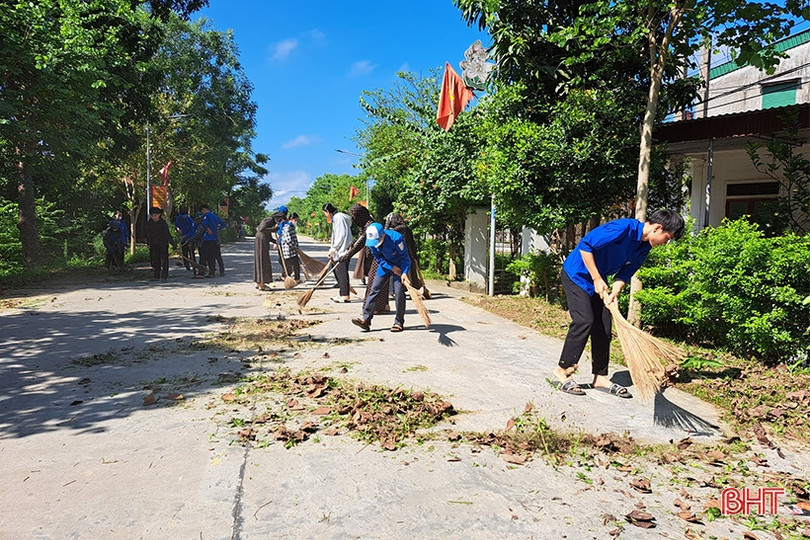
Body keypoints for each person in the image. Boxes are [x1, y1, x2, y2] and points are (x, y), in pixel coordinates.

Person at [553, 209, 685, 398]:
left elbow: (625, 273)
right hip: (577, 274)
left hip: (598, 281)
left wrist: (615, 290)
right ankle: (562, 369)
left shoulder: (644, 247)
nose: (666, 242)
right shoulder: (623, 228)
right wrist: (598, 279)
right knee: (584, 321)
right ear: (658, 228)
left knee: (604, 327)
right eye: (668, 237)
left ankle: (600, 377)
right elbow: (586, 245)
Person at [352, 223, 411, 333]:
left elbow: (406, 258)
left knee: (399, 293)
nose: (375, 244)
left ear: (383, 235)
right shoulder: (371, 242)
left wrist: (404, 273)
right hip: (385, 266)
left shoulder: (397, 239)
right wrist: (391, 267)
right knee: (374, 290)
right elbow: (378, 258)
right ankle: (366, 319)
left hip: (400, 266)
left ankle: (398, 322)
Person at [341, 203, 389, 313]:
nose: (354, 219)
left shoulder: (370, 225)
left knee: (374, 283)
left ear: (360, 215)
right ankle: (381, 306)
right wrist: (351, 244)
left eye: (354, 217)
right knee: (378, 282)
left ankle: (372, 308)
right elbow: (359, 239)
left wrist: (347, 256)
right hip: (372, 257)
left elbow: (361, 242)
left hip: (378, 258)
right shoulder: (364, 226)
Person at [384, 213, 424, 291]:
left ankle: (396, 290)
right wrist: (415, 256)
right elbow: (412, 243)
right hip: (409, 252)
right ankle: (412, 288)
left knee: (398, 272)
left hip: (398, 254)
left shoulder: (395, 230)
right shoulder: (408, 229)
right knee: (410, 272)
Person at [322, 203, 352, 303]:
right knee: (339, 271)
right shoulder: (339, 218)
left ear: (328, 212)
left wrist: (333, 249)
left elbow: (341, 235)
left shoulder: (338, 217)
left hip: (343, 250)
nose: (325, 216)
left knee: (342, 272)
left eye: (325, 214)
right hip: (342, 250)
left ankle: (344, 295)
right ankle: (343, 292)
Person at [144, 207, 177, 282]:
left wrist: (173, 245)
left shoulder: (163, 224)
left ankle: (164, 276)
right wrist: (148, 243)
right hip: (154, 245)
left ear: (159, 215)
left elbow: (168, 235)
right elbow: (148, 234)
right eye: (153, 215)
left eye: (156, 215)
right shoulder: (150, 223)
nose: (154, 217)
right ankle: (156, 276)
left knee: (164, 260)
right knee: (155, 261)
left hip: (163, 244)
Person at [199, 205, 227, 278]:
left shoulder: (207, 216)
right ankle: (212, 272)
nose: (202, 213)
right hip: (215, 240)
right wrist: (217, 229)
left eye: (202, 211)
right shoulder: (215, 217)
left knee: (204, 256)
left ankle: (201, 272)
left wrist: (208, 229)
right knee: (212, 257)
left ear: (204, 210)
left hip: (207, 239)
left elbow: (204, 224)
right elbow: (224, 224)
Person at [253, 215, 276, 290]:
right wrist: (275, 229)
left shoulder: (270, 222)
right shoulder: (270, 220)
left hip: (262, 241)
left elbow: (268, 235)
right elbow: (263, 229)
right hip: (261, 243)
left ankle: (259, 282)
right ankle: (261, 284)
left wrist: (275, 241)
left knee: (262, 261)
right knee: (262, 261)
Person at [278, 213, 300, 281]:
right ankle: (287, 278)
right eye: (295, 220)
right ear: (291, 219)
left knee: (296, 264)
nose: (296, 222)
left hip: (293, 250)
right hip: (289, 251)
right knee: (290, 266)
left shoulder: (291, 227)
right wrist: (295, 247)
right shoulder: (287, 228)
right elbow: (288, 240)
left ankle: (296, 279)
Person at [174, 207, 195, 272]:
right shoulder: (178, 219)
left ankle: (194, 265)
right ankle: (187, 266)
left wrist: (186, 236)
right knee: (184, 253)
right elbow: (176, 225)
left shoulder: (190, 221)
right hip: (182, 238)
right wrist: (178, 229)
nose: (182, 218)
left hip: (190, 239)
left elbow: (192, 231)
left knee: (191, 252)